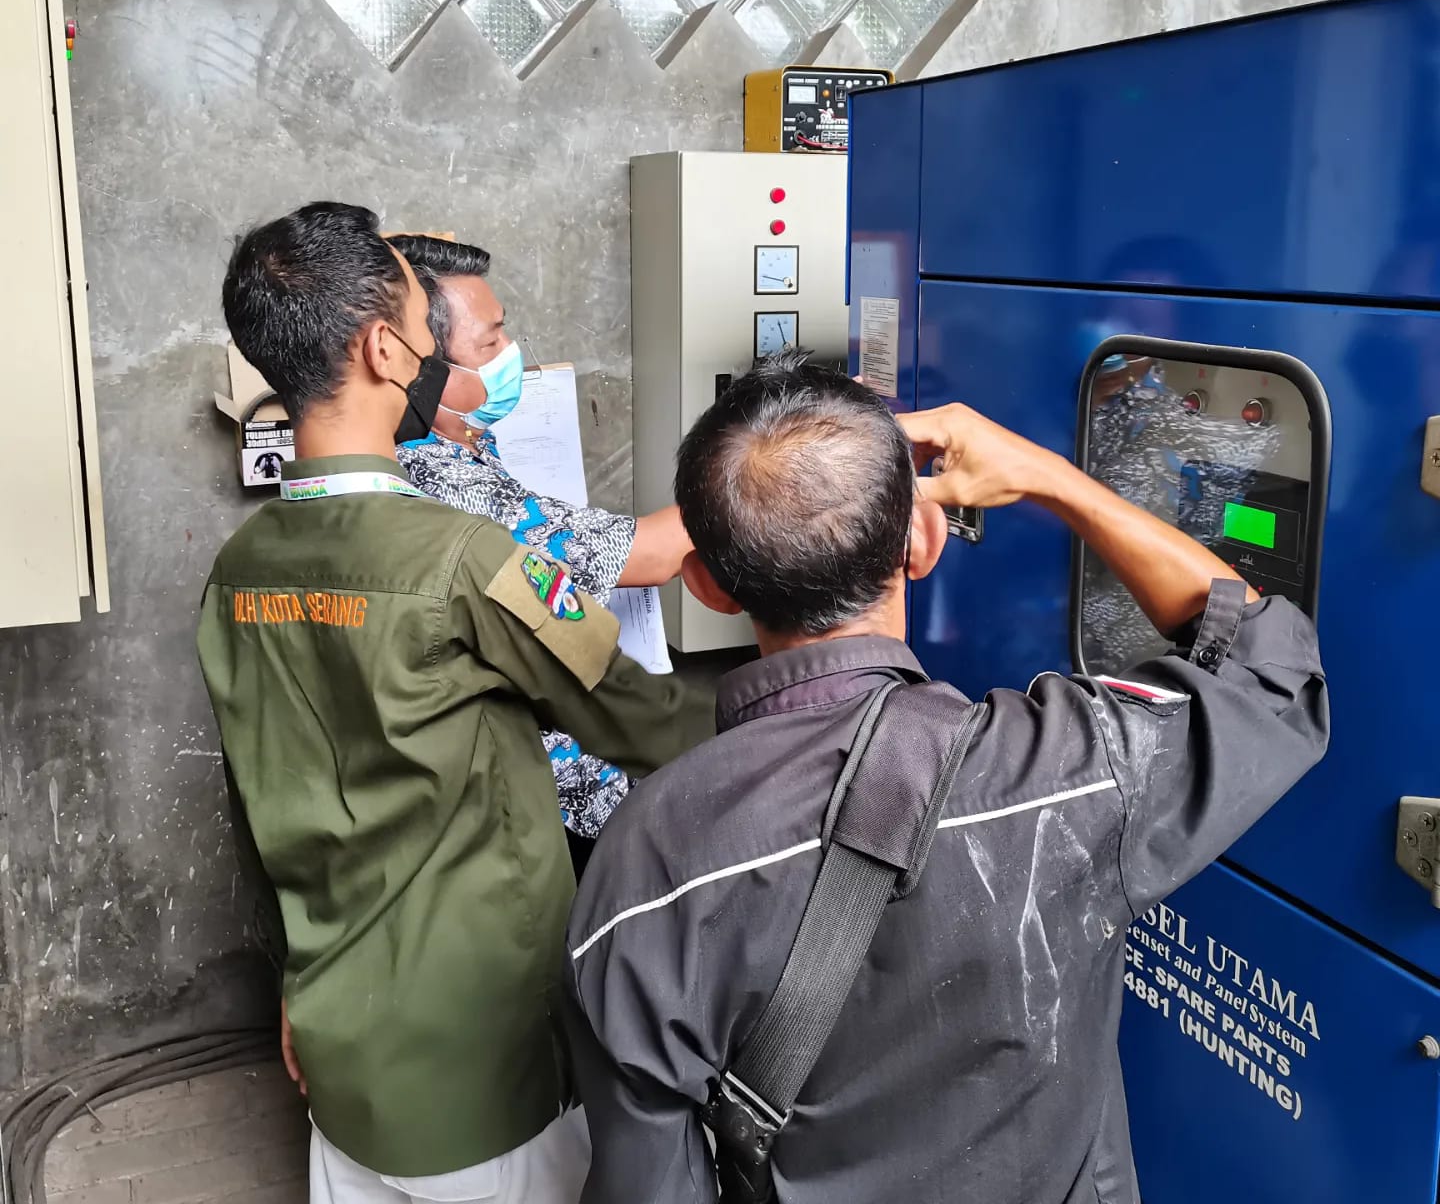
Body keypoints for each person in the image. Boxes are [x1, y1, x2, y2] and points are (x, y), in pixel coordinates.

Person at [564, 352, 1329, 1204]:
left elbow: (649, 1185)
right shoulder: (1069, 770)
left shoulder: (644, 861)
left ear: (703, 584)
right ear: (924, 543)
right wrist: (1052, 479)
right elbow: (1271, 669)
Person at [196, 202, 710, 1204]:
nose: (443, 350)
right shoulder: (466, 561)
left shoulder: (238, 569)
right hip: (486, 1070)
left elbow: (261, 807)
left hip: (344, 1055)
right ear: (385, 350)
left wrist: (301, 988)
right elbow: (642, 719)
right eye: (429, 331)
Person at [385, 232, 694, 874]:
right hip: (545, 810)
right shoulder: (441, 482)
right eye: (489, 343)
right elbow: (655, 554)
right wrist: (787, 464)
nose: (509, 357)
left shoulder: (463, 445)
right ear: (423, 369)